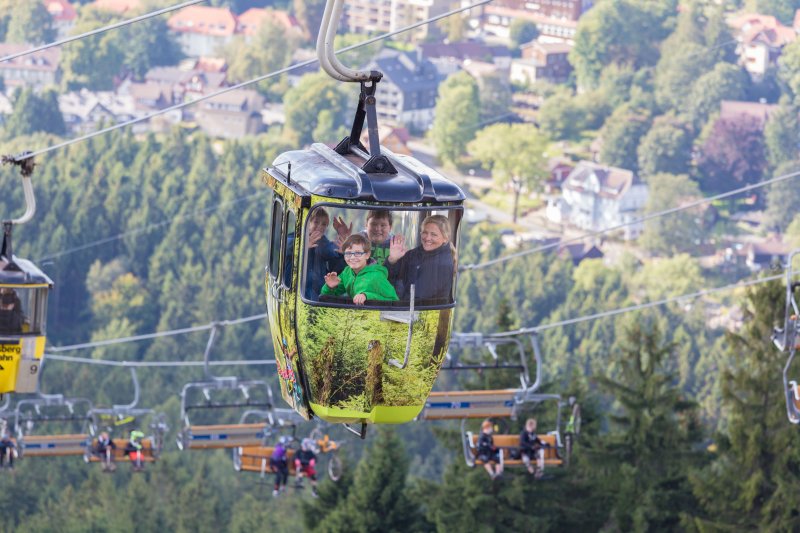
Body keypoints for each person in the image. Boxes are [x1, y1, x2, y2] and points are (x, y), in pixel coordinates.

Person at [386, 215, 455, 301]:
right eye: (425, 232)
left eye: (433, 234)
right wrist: (392, 260)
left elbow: (417, 298)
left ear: (445, 238)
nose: (427, 238)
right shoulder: (414, 254)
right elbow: (386, 278)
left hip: (418, 308)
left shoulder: (442, 264)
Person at [321, 234, 399, 305]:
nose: (352, 257)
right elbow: (327, 297)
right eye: (348, 253)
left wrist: (367, 296)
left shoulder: (376, 276)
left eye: (358, 253)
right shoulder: (347, 272)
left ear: (367, 255)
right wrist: (330, 287)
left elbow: (394, 301)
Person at [304, 208, 345, 300]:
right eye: (316, 222)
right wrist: (304, 246)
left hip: (318, 291)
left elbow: (331, 250)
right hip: (302, 290)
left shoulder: (323, 241)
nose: (319, 227)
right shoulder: (298, 237)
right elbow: (287, 248)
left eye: (324, 224)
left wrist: (342, 242)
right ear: (308, 223)